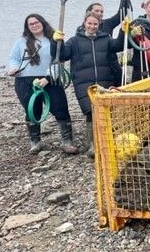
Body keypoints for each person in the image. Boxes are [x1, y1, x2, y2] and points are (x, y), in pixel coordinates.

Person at [53, 13, 124, 157]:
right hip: (83, 82)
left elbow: (119, 46)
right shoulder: (74, 41)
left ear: (99, 25)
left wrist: (123, 31)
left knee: (106, 111)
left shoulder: (106, 39)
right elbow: (62, 55)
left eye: (95, 24)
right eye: (89, 23)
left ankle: (106, 142)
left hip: (104, 80)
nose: (92, 26)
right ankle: (93, 145)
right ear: (84, 23)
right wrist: (56, 42)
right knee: (90, 112)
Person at [7, 14, 77, 154]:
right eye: (30, 24)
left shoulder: (53, 40)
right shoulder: (21, 42)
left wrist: (48, 78)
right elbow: (13, 59)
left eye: (36, 22)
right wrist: (12, 69)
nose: (34, 25)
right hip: (25, 81)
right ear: (27, 27)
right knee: (32, 110)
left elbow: (58, 61)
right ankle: (35, 142)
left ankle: (67, 141)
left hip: (50, 80)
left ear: (42, 23)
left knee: (60, 108)